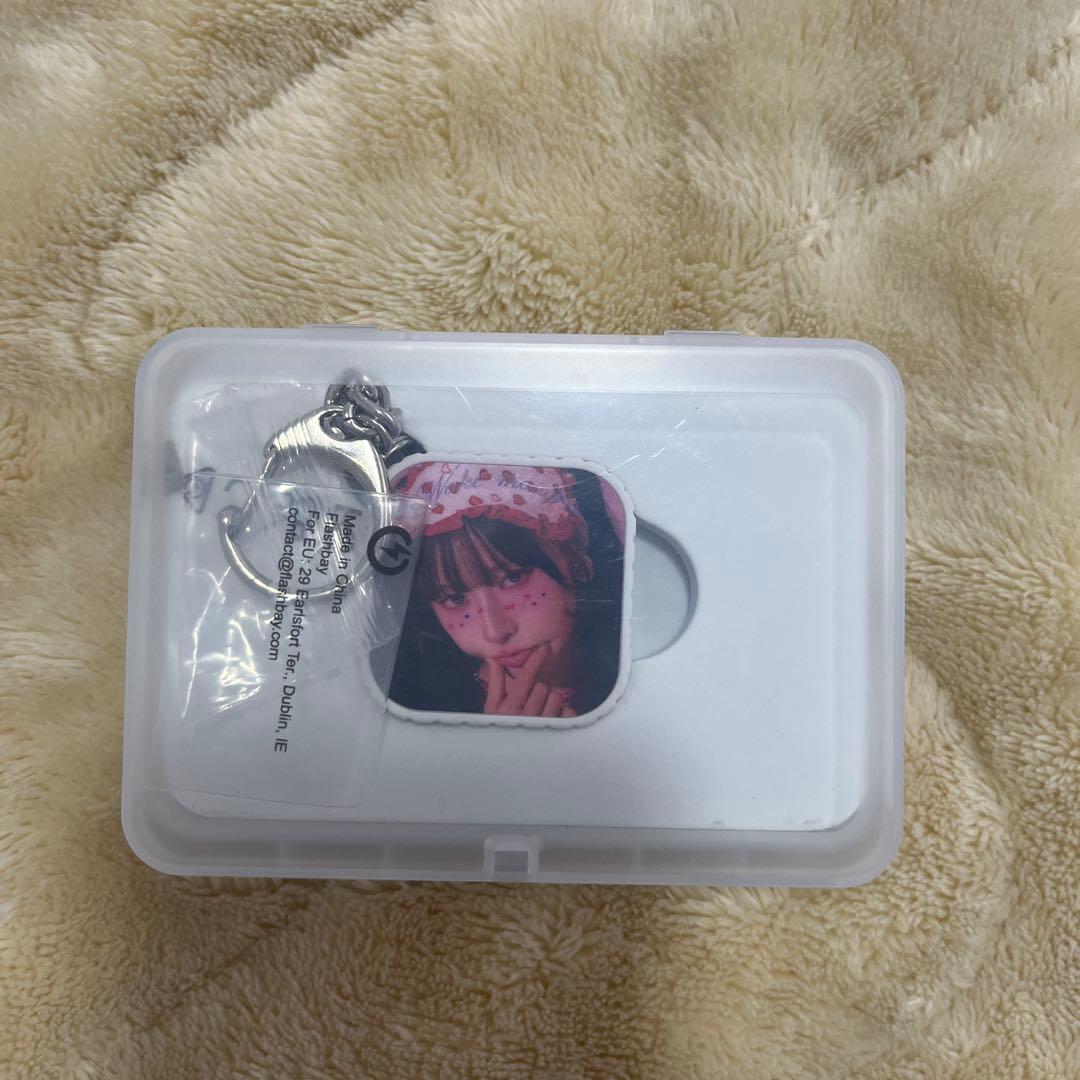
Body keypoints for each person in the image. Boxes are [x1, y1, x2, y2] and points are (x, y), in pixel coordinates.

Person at [388, 461, 625, 719]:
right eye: (455, 598)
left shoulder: (626, 669)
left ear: (573, 562)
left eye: (513, 578)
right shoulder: (423, 705)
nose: (495, 632)